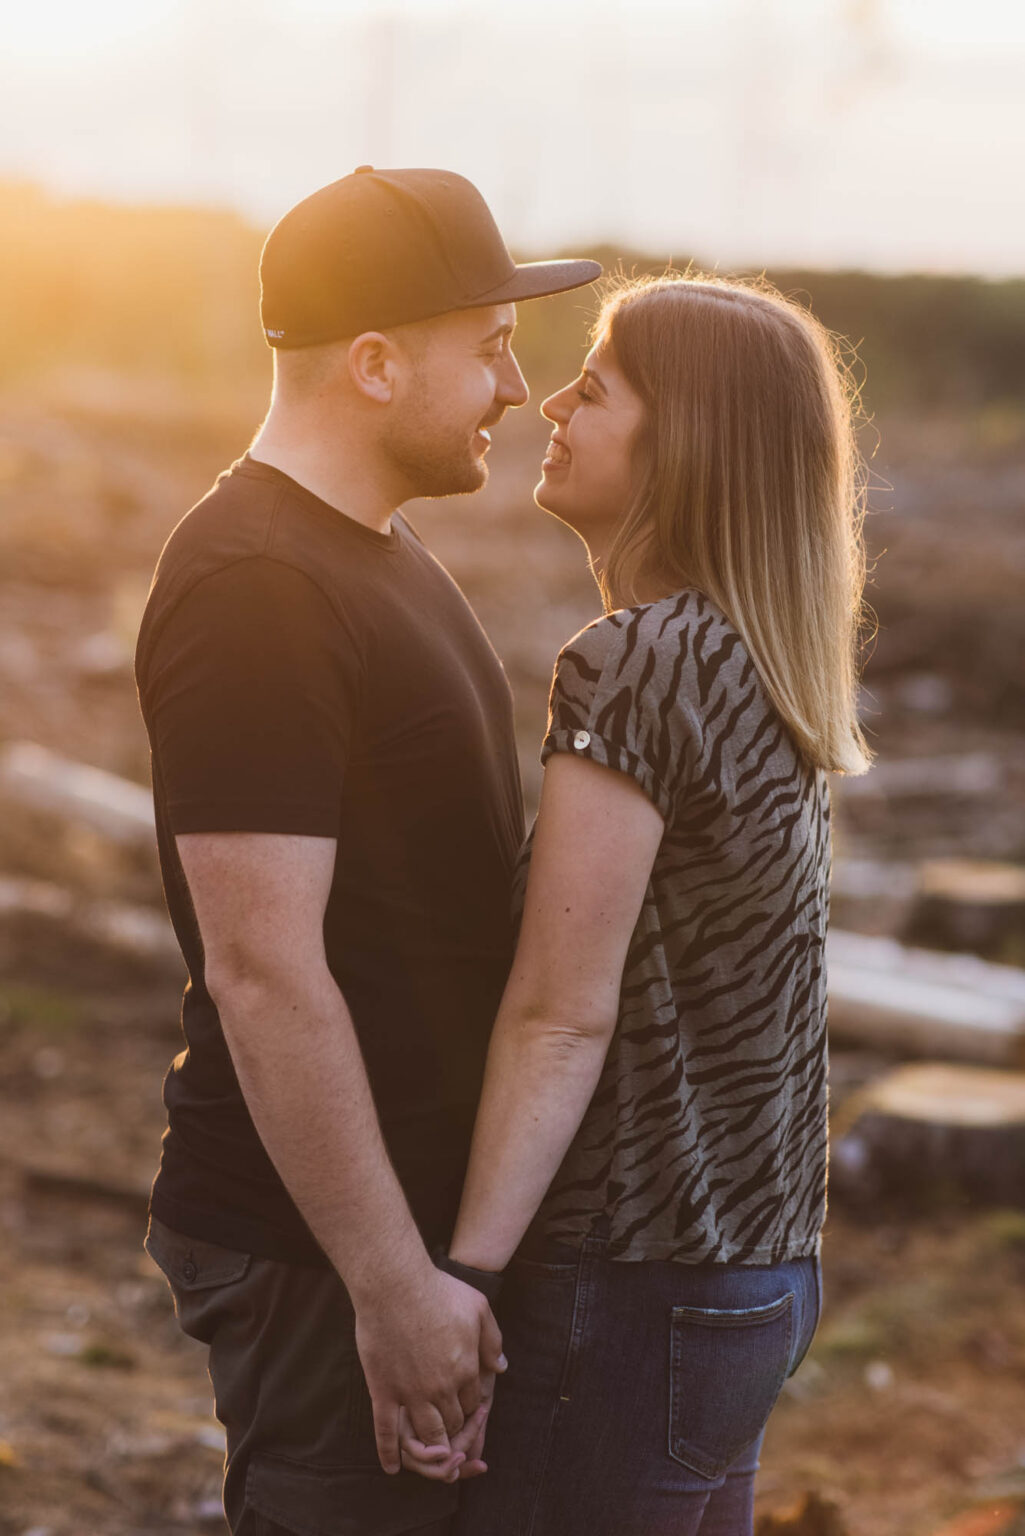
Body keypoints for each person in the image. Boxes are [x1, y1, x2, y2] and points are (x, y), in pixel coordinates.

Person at [134, 166, 599, 1536]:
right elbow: (264, 972)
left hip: (398, 1242)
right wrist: (391, 1287)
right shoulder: (254, 589)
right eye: (492, 348)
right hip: (319, 1257)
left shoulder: (375, 556)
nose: (517, 389)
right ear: (379, 364)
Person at [401, 272, 872, 1535]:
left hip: (628, 1285)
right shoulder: (771, 664)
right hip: (757, 1281)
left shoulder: (637, 661)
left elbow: (560, 1013)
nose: (549, 402)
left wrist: (461, 1281)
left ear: (687, 445)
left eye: (593, 389)